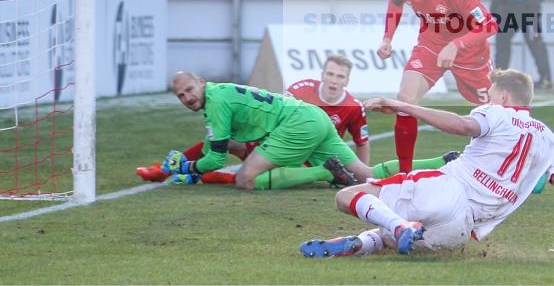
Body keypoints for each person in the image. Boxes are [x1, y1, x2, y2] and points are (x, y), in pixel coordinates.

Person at [300, 69, 554, 257]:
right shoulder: (553, 142)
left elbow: (462, 125)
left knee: (346, 196)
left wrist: (404, 106)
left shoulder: (497, 113)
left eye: (491, 92)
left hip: (447, 190)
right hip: (462, 229)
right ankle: (363, 242)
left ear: (504, 97)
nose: (488, 97)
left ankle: (399, 226)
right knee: (387, 237)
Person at [147, 72, 457, 189]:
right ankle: (441, 163)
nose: (187, 98)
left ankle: (325, 172)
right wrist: (189, 166)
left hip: (295, 125)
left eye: (189, 90)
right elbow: (216, 143)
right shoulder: (219, 93)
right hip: (313, 117)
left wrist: (186, 168)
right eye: (181, 96)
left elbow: (215, 159)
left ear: (201, 82)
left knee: (245, 179)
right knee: (367, 175)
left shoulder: (216, 103)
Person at [377, 0, 498, 172]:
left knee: (493, 112)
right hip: (431, 44)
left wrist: (456, 45)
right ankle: (405, 173)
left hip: (471, 53)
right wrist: (387, 38)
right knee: (405, 99)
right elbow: (395, 4)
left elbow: (490, 25)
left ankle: (519, 157)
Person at [286, 55, 371, 164]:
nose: (334, 81)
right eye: (330, 74)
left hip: (324, 164)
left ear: (347, 81)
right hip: (290, 158)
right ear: (322, 75)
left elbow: (362, 143)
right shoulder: (300, 91)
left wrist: (363, 173)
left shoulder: (354, 107)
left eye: (340, 77)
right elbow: (277, 118)